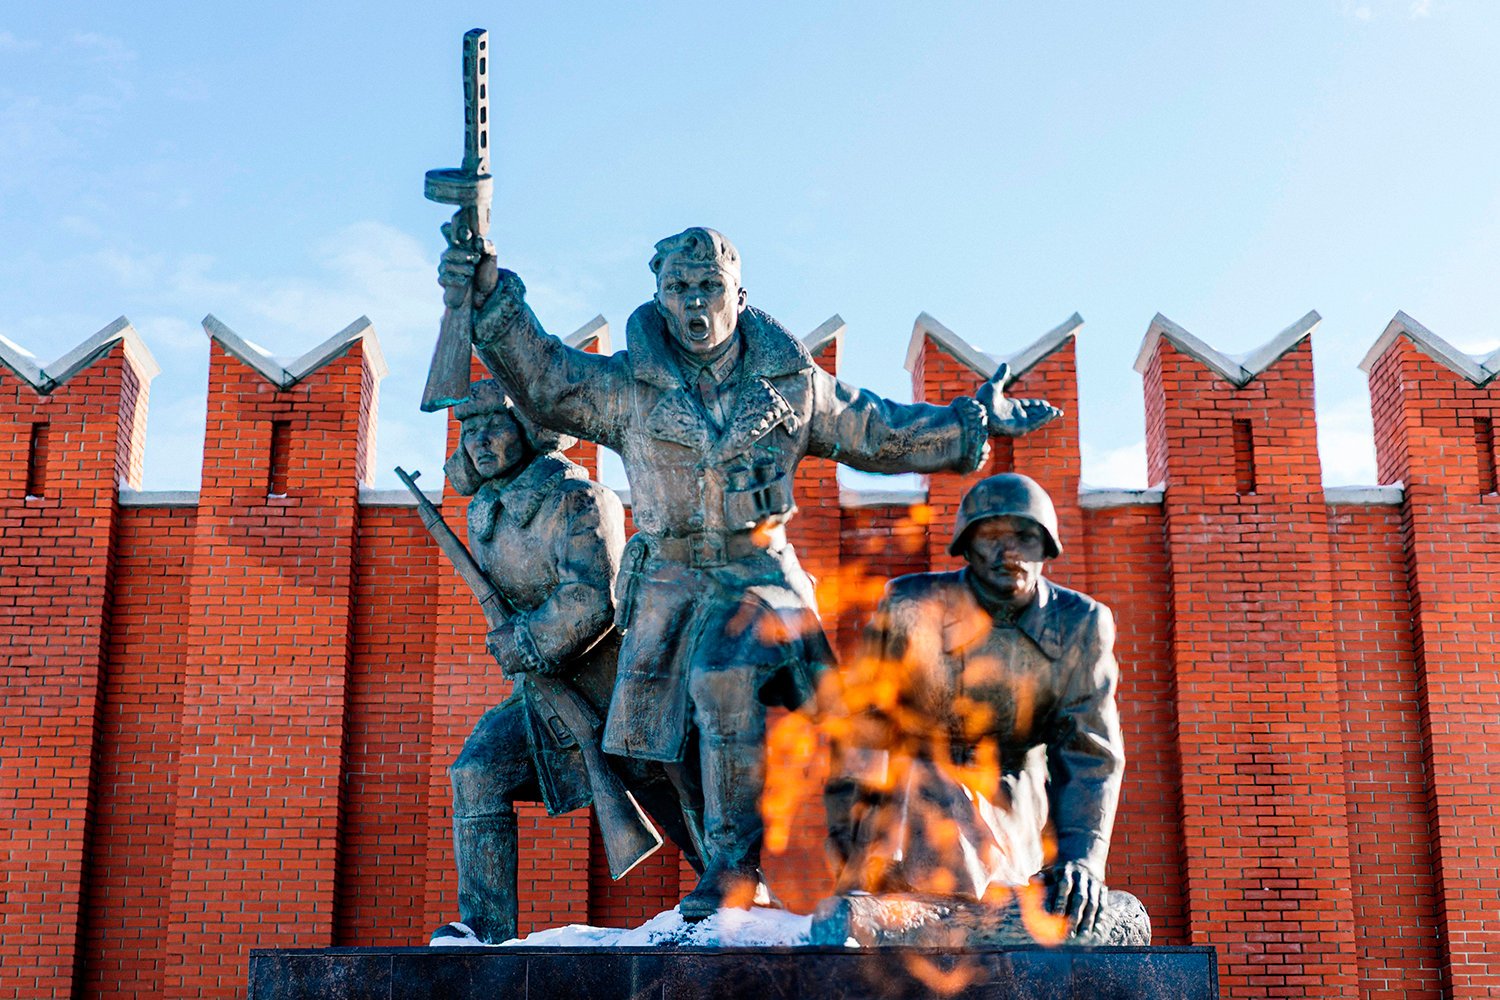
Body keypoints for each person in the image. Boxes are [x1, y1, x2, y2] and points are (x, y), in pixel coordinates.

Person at [438, 228, 1060, 920]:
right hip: (668, 586)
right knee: (657, 750)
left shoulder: (790, 385)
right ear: (660, 296)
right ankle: (725, 858)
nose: (694, 304)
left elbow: (879, 431)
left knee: (723, 674)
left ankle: (737, 871)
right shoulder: (627, 389)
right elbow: (546, 377)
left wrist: (971, 421)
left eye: (708, 288)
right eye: (678, 289)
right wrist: (492, 298)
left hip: (758, 574)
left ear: (739, 294)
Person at [433, 380, 697, 944]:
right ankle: (485, 930)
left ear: (528, 428)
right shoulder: (487, 514)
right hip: (547, 691)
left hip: (623, 687)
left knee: (681, 800)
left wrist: (524, 640)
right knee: (477, 772)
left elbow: (593, 599)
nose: (480, 441)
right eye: (469, 430)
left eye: (495, 426)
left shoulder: (577, 498)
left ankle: (740, 896)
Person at [824, 473, 1124, 936]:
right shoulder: (912, 604)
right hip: (914, 791)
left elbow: (1089, 752)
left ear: (1047, 546)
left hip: (1012, 792)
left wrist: (1082, 859)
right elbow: (864, 728)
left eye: (1026, 537)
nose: (1010, 553)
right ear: (966, 546)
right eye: (991, 536)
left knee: (1051, 920)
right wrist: (852, 848)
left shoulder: (1080, 623)